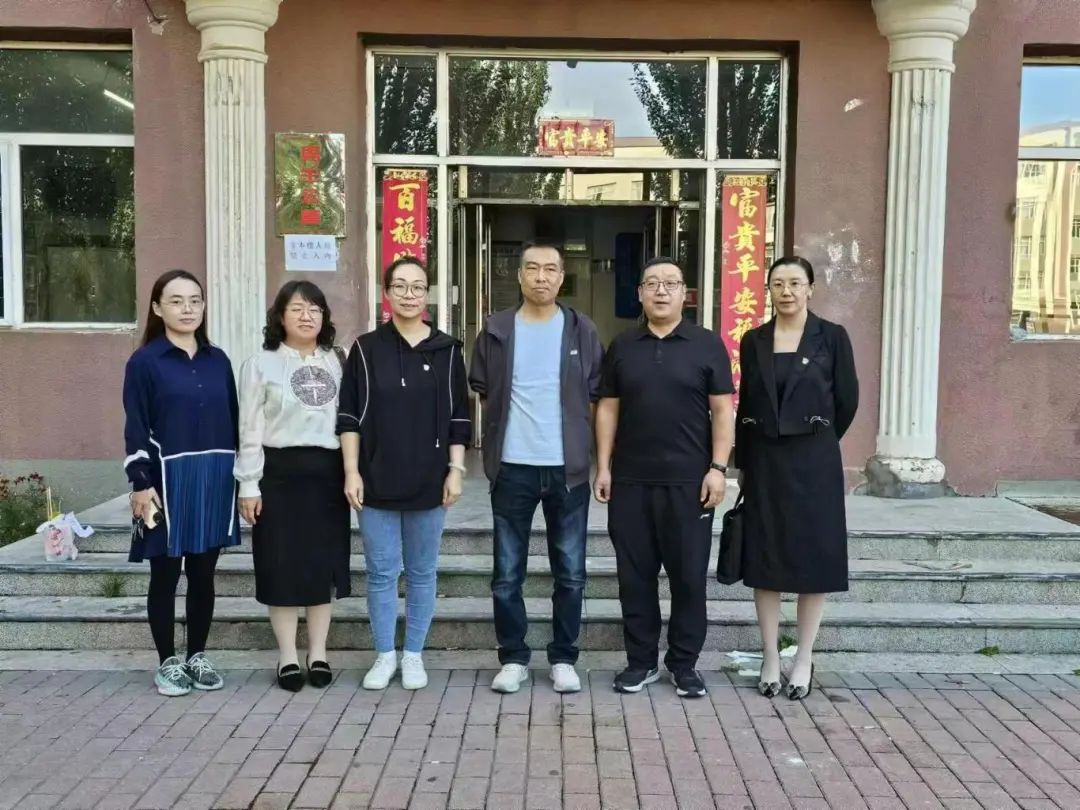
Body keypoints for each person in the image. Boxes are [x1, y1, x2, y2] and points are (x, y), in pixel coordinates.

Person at [594, 257, 734, 699]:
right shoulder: (623, 345)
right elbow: (608, 408)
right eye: (652, 283)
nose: (660, 291)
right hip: (631, 482)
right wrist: (604, 466)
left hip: (690, 484)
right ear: (639, 293)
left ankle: (684, 664)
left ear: (684, 293)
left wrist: (718, 468)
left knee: (688, 578)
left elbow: (722, 410)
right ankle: (640, 662)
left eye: (670, 283)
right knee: (634, 578)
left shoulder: (706, 344)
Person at [469, 241, 603, 695]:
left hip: (568, 470)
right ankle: (513, 658)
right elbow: (483, 390)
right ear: (519, 275)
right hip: (513, 468)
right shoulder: (497, 329)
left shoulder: (581, 329)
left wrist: (595, 457)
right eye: (532, 268)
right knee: (507, 574)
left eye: (550, 269)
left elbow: (597, 396)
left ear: (561, 277)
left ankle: (564, 657)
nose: (541, 277)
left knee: (571, 572)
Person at [338, 258, 471, 691]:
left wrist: (456, 470)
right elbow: (348, 416)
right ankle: (384, 655)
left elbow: (459, 417)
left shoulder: (447, 350)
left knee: (421, 572)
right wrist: (351, 472)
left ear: (427, 294)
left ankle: (413, 654)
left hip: (430, 478)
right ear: (387, 293)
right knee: (380, 572)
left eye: (417, 286)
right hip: (375, 476)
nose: (409, 294)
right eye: (400, 286)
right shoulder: (365, 349)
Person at [735, 256, 858, 700]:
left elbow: (847, 401)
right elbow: (747, 403)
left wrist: (816, 437)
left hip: (814, 461)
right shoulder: (754, 340)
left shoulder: (832, 337)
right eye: (777, 284)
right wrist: (742, 463)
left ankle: (804, 656)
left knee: (813, 560)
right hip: (765, 460)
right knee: (765, 558)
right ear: (768, 290)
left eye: (795, 283)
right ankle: (770, 655)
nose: (786, 291)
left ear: (810, 288)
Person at [122, 269, 239, 697]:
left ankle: (197, 656)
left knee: (204, 574)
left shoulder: (218, 360)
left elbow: (235, 422)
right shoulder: (144, 362)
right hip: (164, 482)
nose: (187, 309)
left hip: (214, 478)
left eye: (195, 300)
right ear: (157, 307)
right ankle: (168, 662)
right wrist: (139, 483)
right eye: (176, 301)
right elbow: (136, 427)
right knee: (166, 575)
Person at [235, 281, 350, 692]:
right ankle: (287, 656)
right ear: (280, 316)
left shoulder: (338, 360)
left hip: (327, 476)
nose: (307, 316)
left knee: (322, 567)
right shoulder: (260, 364)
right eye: (298, 308)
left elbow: (351, 422)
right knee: (280, 566)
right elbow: (249, 428)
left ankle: (318, 653)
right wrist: (248, 484)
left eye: (315, 309)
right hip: (278, 475)